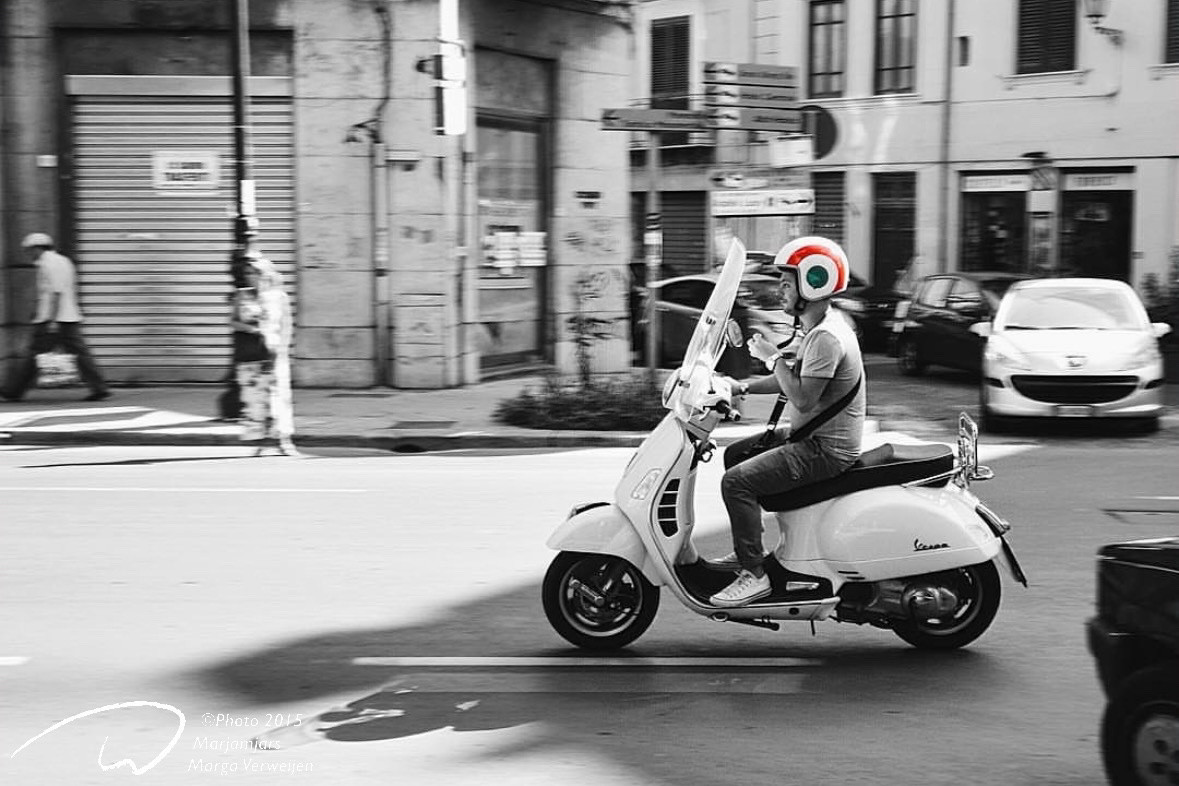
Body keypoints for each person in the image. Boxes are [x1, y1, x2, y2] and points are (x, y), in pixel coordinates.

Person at [708, 236, 866, 608]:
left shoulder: (827, 337)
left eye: (785, 281)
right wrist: (740, 386)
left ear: (814, 282)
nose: (778, 289)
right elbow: (793, 376)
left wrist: (769, 356)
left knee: (736, 483)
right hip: (812, 437)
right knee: (736, 455)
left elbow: (802, 396)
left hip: (825, 449)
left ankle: (755, 576)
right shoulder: (821, 327)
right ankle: (752, 550)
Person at [1, 233, 109, 403]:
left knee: (34, 355)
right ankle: (100, 388)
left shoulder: (48, 263)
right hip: (68, 317)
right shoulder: (63, 261)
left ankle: (12, 391)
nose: (28, 254)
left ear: (37, 248)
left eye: (29, 250)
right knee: (80, 354)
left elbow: (56, 292)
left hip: (53, 319)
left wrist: (51, 321)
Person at [231, 253, 297, 456]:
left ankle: (284, 441)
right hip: (252, 356)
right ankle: (261, 442)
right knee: (256, 401)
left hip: (275, 354)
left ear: (265, 274)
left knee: (279, 399)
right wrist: (252, 329)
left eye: (255, 272)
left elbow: (287, 326)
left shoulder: (279, 297)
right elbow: (232, 321)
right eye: (248, 272)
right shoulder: (242, 295)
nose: (251, 276)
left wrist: (283, 350)